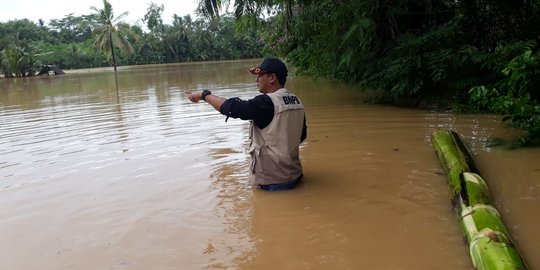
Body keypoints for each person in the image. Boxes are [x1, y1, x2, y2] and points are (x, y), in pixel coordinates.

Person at [187, 57, 307, 191]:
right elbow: (301, 136)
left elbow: (233, 108)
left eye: (260, 76)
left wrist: (204, 95)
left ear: (272, 78)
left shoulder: (266, 102)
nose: (256, 80)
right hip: (295, 176)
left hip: (274, 182)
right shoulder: (297, 102)